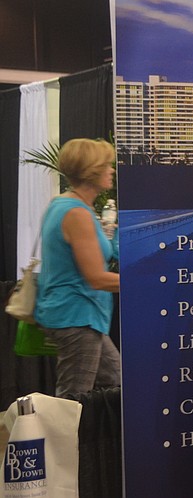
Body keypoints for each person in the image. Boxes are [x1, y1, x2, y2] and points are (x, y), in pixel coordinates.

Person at [35, 138, 121, 399]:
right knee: (71, 400)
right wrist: (143, 284)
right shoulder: (77, 214)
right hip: (76, 316)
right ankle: (60, 441)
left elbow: (99, 253)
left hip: (81, 316)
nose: (112, 170)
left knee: (117, 381)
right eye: (106, 165)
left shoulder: (65, 204)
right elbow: (96, 278)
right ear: (92, 171)